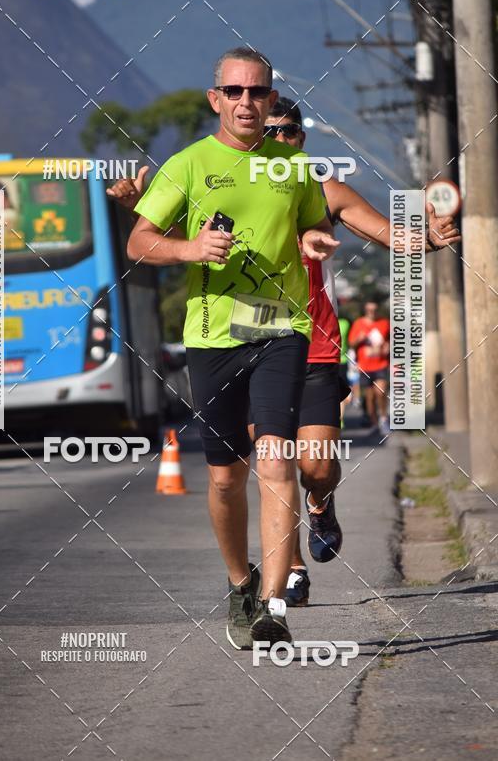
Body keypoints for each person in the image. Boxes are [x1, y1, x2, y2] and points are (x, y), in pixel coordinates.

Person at [113, 91, 461, 612]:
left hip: (313, 344)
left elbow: (389, 233)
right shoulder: (218, 183)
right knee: (273, 463)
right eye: (268, 131)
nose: (276, 138)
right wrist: (139, 210)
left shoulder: (317, 187)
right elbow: (179, 241)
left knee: (315, 463)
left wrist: (427, 239)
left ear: (301, 138)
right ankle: (288, 573)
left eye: (287, 131)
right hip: (248, 345)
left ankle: (321, 502)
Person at [127, 47, 338, 650]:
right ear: (215, 98)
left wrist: (316, 238)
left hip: (280, 330)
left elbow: (308, 224)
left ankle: (274, 607)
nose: (247, 102)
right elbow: (140, 242)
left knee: (275, 457)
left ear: (272, 99)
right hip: (213, 337)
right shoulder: (188, 164)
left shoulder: (294, 168)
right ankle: (240, 582)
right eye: (235, 91)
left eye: (258, 92)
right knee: (225, 479)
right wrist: (190, 249)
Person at [348, 302, 391, 435]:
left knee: (381, 391)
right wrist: (359, 339)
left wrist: (388, 346)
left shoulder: (384, 323)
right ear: (365, 310)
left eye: (374, 309)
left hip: (381, 364)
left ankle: (383, 418)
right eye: (369, 310)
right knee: (369, 397)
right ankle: (374, 422)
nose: (372, 312)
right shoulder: (358, 324)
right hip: (365, 366)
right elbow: (351, 343)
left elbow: (392, 340)